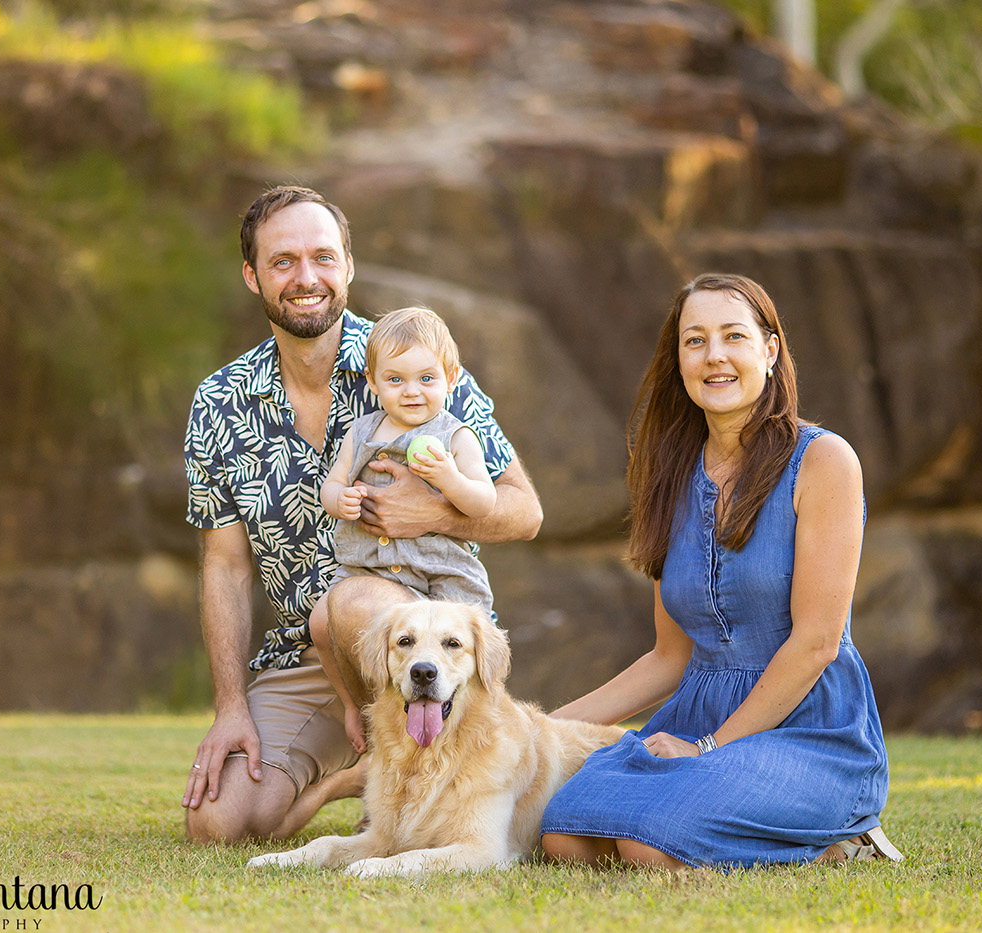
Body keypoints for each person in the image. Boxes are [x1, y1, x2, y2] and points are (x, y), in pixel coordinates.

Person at [180, 186, 542, 844]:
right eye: (283, 261)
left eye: (323, 256)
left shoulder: (413, 361)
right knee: (216, 821)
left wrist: (430, 513)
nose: (306, 277)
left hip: (415, 644)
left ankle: (420, 755)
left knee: (350, 604)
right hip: (308, 652)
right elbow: (226, 566)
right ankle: (354, 769)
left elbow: (525, 511)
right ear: (252, 276)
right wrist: (231, 704)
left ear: (348, 265)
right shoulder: (219, 401)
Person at [539, 273, 901, 871]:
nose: (714, 357)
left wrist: (708, 749)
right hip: (696, 719)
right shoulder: (671, 478)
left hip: (811, 729)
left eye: (733, 336)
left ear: (770, 349)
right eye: (695, 340)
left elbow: (816, 644)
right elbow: (668, 658)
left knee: (647, 845)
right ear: (677, 359)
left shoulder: (824, 461)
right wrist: (535, 730)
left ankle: (834, 840)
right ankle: (776, 833)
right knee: (564, 836)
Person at [310, 305, 498, 754]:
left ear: (451, 377)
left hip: (440, 572)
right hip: (371, 570)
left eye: (426, 379)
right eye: (395, 380)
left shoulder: (456, 436)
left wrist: (450, 478)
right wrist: (342, 499)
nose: (411, 392)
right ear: (373, 384)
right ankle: (359, 707)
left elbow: (484, 501)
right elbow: (330, 487)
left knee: (460, 646)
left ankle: (465, 727)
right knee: (321, 622)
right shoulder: (361, 432)